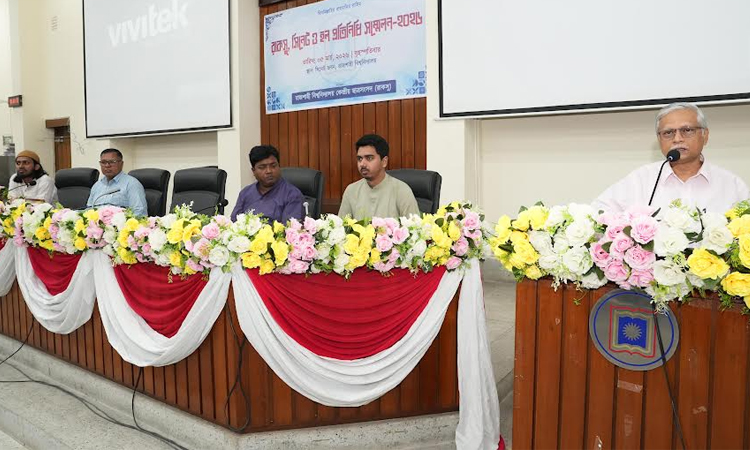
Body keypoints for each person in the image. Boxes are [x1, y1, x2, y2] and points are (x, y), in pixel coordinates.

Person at [593, 103, 749, 213]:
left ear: (705, 135)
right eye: (668, 133)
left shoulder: (731, 185)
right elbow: (597, 213)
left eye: (687, 130)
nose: (677, 139)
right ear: (659, 139)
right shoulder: (640, 180)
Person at [338, 134, 420, 220]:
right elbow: (342, 227)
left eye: (369, 158)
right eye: (359, 159)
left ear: (384, 162)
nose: (362, 164)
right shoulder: (351, 191)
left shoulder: (402, 191)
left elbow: (414, 227)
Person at [231, 145, 304, 223]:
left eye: (273, 166)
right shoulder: (245, 193)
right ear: (253, 171)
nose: (269, 171)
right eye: (262, 167)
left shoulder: (292, 195)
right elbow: (234, 223)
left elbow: (290, 228)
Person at [86, 148, 148, 216]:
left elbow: (140, 213)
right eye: (103, 162)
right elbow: (88, 210)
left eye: (112, 162)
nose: (107, 165)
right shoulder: (97, 186)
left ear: (121, 164)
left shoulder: (132, 184)